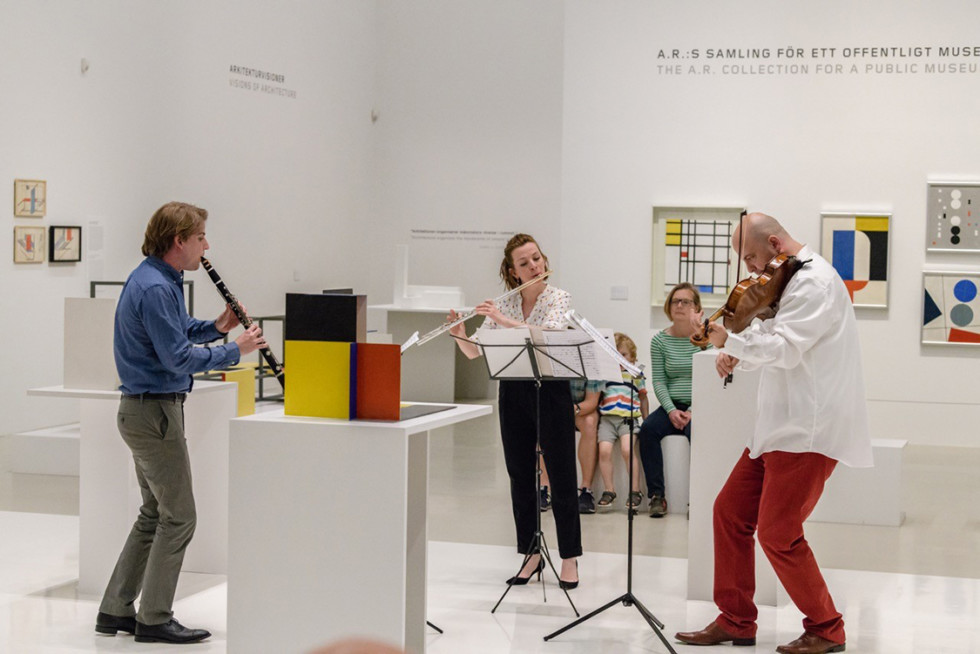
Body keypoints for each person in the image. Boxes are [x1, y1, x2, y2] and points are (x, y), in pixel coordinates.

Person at [675, 212, 872, 654]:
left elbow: (785, 348)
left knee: (779, 532)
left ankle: (827, 627)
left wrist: (729, 340)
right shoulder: (789, 279)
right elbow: (772, 332)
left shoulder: (816, 282)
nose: (748, 270)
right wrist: (736, 354)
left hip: (808, 427)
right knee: (729, 512)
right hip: (778, 427)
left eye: (750, 257)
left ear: (777, 244)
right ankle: (737, 621)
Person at [95, 202, 265, 644]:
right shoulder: (154, 287)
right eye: (201, 237)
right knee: (180, 517)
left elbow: (175, 333)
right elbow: (177, 358)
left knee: (154, 513)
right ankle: (153, 617)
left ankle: (115, 609)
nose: (206, 246)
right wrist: (238, 349)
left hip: (145, 410)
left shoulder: (157, 280)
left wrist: (217, 326)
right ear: (179, 241)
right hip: (153, 412)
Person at [450, 233, 581, 589]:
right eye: (524, 263)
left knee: (562, 474)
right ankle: (531, 554)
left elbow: (547, 334)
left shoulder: (558, 298)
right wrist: (462, 334)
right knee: (520, 476)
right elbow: (476, 353)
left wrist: (503, 322)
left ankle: (570, 558)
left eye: (536, 258)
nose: (534, 266)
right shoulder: (503, 305)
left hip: (551, 390)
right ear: (513, 271)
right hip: (513, 391)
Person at [637, 282, 704, 518]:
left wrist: (694, 410)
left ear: (697, 308)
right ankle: (657, 496)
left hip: (700, 406)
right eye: (676, 301)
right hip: (671, 405)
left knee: (699, 434)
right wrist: (671, 410)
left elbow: (708, 379)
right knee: (647, 430)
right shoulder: (659, 341)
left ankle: (696, 499)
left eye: (686, 301)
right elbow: (659, 382)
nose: (680, 305)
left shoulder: (705, 339)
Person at [595, 333, 648, 511]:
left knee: (627, 450)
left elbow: (643, 398)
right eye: (614, 354)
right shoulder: (606, 375)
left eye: (623, 355)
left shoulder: (635, 375)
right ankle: (609, 490)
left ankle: (635, 490)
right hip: (607, 420)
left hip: (628, 418)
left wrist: (646, 419)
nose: (619, 359)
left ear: (632, 357)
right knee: (604, 451)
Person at [571, 376, 603, 513]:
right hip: (555, 406)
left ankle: (586, 490)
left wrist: (573, 409)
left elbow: (592, 401)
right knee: (543, 420)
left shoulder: (593, 361)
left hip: (581, 408)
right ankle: (544, 487)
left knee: (590, 423)